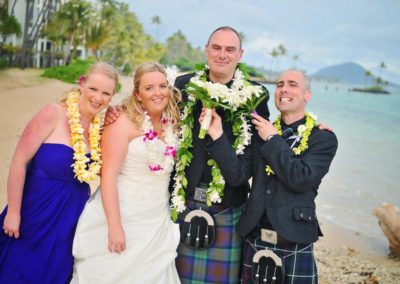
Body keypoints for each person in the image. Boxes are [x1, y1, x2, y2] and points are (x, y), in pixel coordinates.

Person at [0, 62, 118, 283]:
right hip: (33, 212)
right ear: (81, 84)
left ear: (112, 97)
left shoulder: (101, 128)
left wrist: (115, 115)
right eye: (93, 89)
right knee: (17, 270)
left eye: (106, 93)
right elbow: (18, 162)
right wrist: (14, 212)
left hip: (69, 219)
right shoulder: (52, 113)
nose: (98, 97)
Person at [171, 26, 270, 283]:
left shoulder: (255, 97)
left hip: (227, 206)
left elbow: (243, 171)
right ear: (206, 50)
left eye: (230, 49)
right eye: (216, 47)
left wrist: (314, 131)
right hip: (184, 201)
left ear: (240, 54)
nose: (222, 54)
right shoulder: (184, 85)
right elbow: (154, 112)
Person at [71, 62, 181, 283]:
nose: (157, 93)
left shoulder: (175, 124)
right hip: (122, 214)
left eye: (162, 86)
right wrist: (114, 226)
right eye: (149, 88)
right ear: (138, 95)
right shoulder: (122, 122)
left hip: (157, 219)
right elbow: (108, 175)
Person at [238, 69, 338, 283]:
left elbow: (301, 178)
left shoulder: (322, 138)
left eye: (293, 84)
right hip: (254, 234)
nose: (284, 89)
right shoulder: (259, 131)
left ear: (307, 95)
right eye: (280, 84)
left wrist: (273, 139)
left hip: (293, 237)